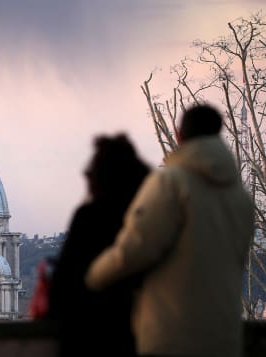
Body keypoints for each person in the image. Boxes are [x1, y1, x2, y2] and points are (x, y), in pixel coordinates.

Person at [85, 104, 254, 357]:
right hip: (226, 339)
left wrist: (92, 277)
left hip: (174, 338)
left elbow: (135, 249)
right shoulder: (241, 198)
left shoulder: (170, 183)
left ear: (179, 136)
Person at [47, 134, 150, 356]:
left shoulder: (89, 218)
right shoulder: (149, 221)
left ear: (103, 178)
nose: (85, 174)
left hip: (89, 338)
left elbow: (62, 291)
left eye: (91, 171)